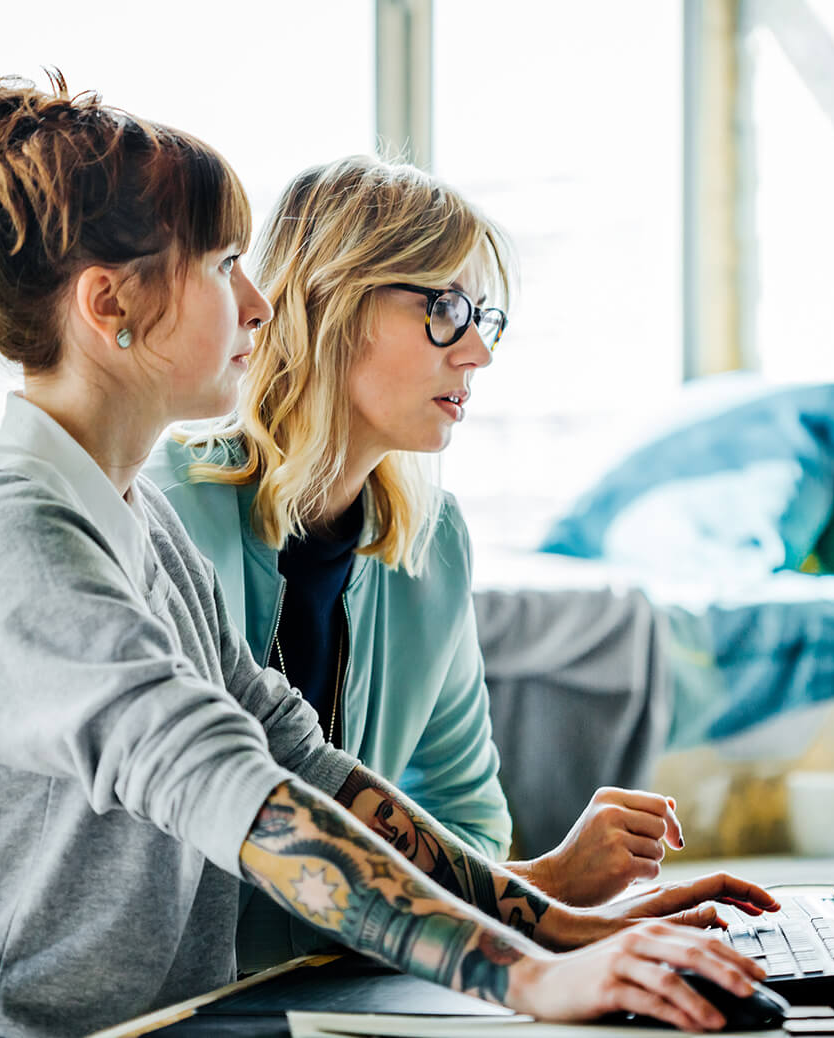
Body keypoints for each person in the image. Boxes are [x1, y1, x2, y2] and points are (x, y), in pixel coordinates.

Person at [0, 72, 773, 1037]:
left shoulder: (133, 519)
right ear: (110, 307)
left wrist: (558, 929)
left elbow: (302, 760)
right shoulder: (15, 534)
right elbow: (236, 790)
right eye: (223, 266)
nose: (261, 303)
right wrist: (528, 978)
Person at [144, 159, 687, 939]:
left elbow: (468, 820)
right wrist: (541, 894)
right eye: (447, 308)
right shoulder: (167, 512)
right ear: (330, 300)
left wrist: (526, 897)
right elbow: (185, 885)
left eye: (483, 318)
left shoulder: (433, 544)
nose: (477, 353)